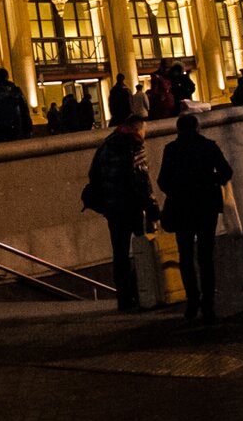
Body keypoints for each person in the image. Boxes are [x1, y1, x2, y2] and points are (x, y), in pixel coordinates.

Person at [157, 113, 234, 323]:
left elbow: (162, 180)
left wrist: (178, 190)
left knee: (185, 256)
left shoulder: (171, 149)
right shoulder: (209, 146)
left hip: (182, 209)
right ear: (197, 127)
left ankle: (192, 300)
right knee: (206, 256)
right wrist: (210, 181)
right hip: (206, 207)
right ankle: (208, 303)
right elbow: (227, 172)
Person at [87, 114, 159, 310]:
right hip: (134, 207)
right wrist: (153, 208)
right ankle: (146, 293)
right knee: (144, 249)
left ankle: (124, 299)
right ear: (138, 128)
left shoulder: (106, 144)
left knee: (120, 253)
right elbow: (142, 177)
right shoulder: (135, 144)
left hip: (114, 208)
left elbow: (93, 174)